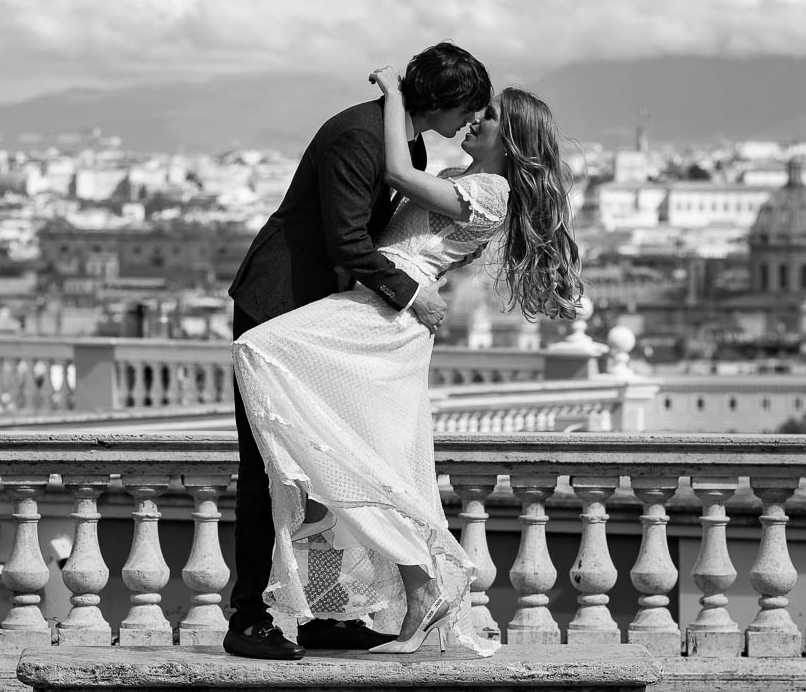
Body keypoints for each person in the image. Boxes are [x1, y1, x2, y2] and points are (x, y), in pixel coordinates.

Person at [232, 66, 584, 657]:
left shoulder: (488, 192)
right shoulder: (454, 175)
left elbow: (395, 178)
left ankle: (418, 591)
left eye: (490, 117)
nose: (477, 121)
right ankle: (367, 600)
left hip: (388, 311)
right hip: (379, 304)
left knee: (274, 363)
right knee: (356, 459)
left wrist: (394, 94)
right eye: (477, 110)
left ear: (513, 141)